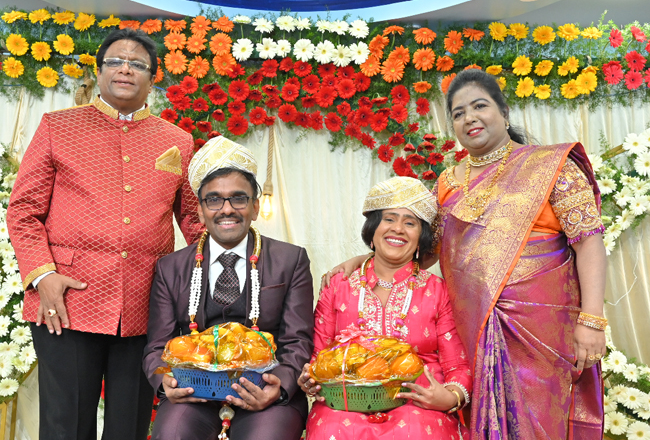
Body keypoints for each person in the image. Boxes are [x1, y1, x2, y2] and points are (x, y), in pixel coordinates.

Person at [326, 69, 606, 439]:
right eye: (458, 113)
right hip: (472, 326)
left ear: (504, 112)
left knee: (543, 421)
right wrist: (363, 262)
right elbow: (427, 251)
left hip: (543, 328)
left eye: (479, 106)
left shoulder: (551, 167)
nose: (469, 117)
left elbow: (588, 240)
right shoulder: (448, 182)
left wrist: (592, 320)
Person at [6, 28, 204, 440]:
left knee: (130, 425)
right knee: (66, 424)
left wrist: (239, 259)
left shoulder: (178, 141)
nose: (125, 69)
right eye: (115, 61)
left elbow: (192, 219)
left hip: (145, 303)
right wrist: (43, 276)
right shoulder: (58, 126)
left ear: (154, 78)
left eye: (137, 64)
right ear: (98, 72)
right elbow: (24, 210)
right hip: (66, 300)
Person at [143, 135, 314, 440]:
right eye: (214, 199)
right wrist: (165, 380)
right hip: (194, 392)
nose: (226, 209)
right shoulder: (171, 268)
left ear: (255, 206)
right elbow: (157, 346)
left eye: (238, 198)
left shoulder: (291, 260)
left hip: (264, 389)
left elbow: (297, 341)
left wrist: (277, 386)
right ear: (200, 210)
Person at [298, 176, 472, 439]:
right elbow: (319, 357)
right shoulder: (338, 285)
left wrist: (450, 397)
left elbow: (458, 365)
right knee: (331, 430)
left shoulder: (438, 290)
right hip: (346, 401)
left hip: (419, 402)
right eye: (389, 219)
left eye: (410, 223)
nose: (398, 229)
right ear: (373, 229)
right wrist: (311, 380)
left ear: (420, 237)